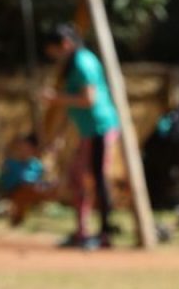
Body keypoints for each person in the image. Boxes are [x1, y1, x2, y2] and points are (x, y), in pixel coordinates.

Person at [41, 23, 120, 250]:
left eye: (54, 50)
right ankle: (82, 231)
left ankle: (105, 234)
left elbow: (88, 100)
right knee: (77, 178)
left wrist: (55, 98)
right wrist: (59, 135)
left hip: (101, 127)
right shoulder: (72, 63)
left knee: (97, 180)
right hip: (88, 130)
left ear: (64, 45)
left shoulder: (83, 63)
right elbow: (73, 104)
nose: (53, 56)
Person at [0, 133, 56, 227]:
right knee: (29, 187)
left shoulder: (37, 165)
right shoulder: (11, 163)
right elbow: (8, 181)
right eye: (21, 147)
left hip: (33, 190)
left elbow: (43, 179)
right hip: (15, 191)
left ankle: (20, 215)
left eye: (26, 147)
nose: (23, 149)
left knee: (51, 186)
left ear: (33, 149)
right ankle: (17, 213)